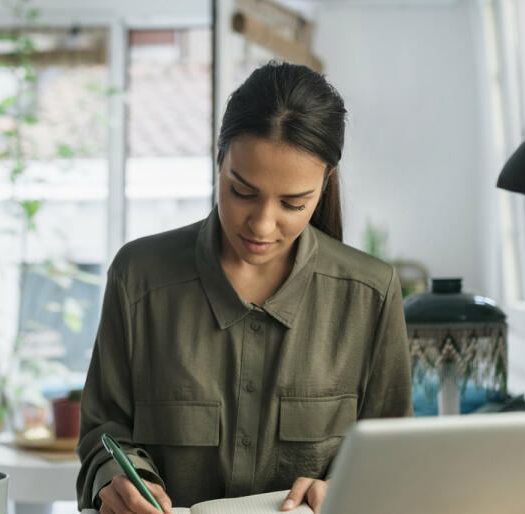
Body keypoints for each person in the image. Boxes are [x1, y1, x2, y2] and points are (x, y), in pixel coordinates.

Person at [75, 61, 412, 514]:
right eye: (242, 191)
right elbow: (105, 433)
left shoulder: (370, 293)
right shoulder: (138, 277)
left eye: (294, 203)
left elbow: (393, 462)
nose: (262, 224)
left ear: (325, 183)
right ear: (219, 156)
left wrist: (346, 488)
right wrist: (118, 479)